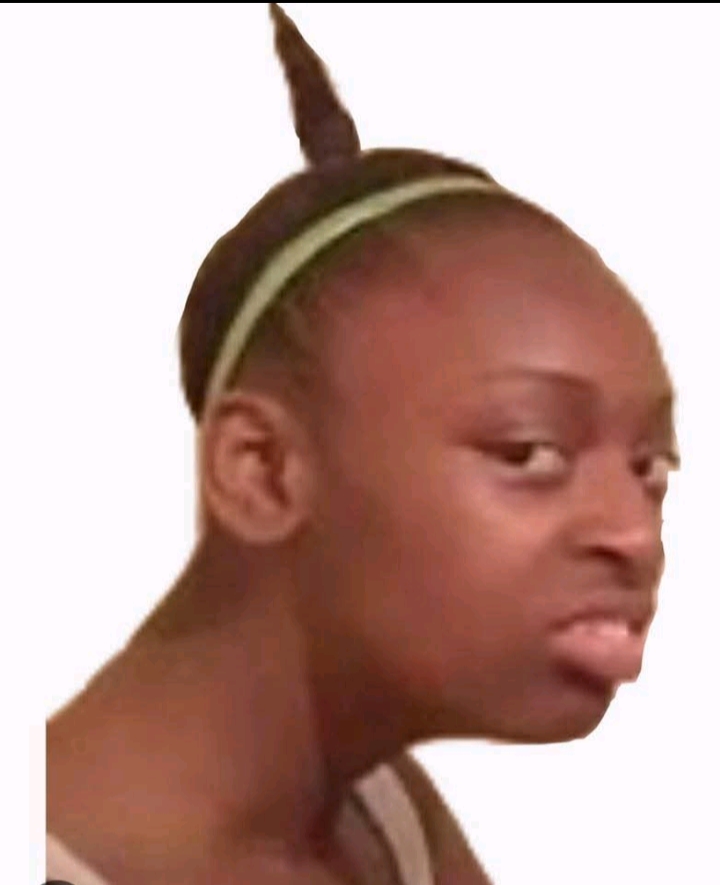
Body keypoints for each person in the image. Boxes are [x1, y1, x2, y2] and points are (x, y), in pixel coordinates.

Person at [45, 4, 679, 884]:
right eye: (529, 452)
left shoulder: (374, 814)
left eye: (651, 468)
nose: (636, 534)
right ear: (262, 471)